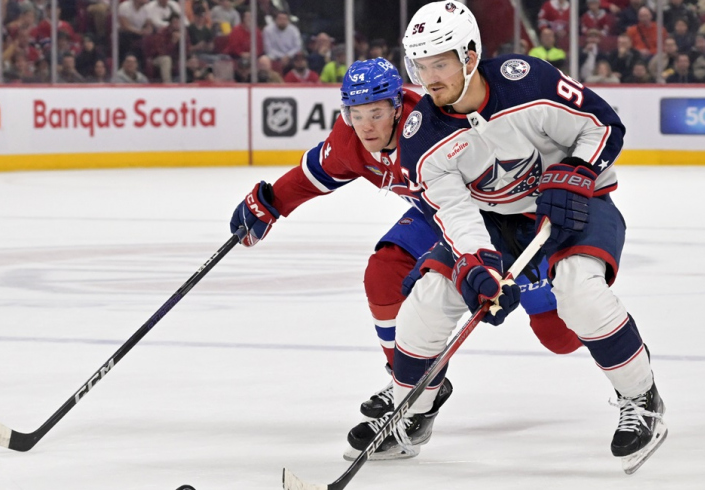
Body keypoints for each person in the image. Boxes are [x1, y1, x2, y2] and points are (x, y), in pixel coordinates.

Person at [362, 0, 667, 473]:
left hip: (575, 207)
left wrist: (577, 170)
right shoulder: (422, 137)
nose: (428, 78)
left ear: (468, 56)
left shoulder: (529, 81)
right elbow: (456, 214)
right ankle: (414, 415)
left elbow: (605, 126)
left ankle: (641, 399)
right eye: (419, 66)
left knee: (578, 292)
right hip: (495, 222)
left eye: (439, 63)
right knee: (425, 300)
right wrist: (477, 265)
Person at [229, 57, 582, 461]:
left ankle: (615, 345)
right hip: (440, 214)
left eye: (376, 113)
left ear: (399, 106)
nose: (365, 125)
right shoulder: (351, 139)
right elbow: (315, 173)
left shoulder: (438, 122)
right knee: (384, 270)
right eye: (355, 113)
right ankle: (412, 392)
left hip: (506, 218)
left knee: (559, 337)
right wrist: (270, 203)